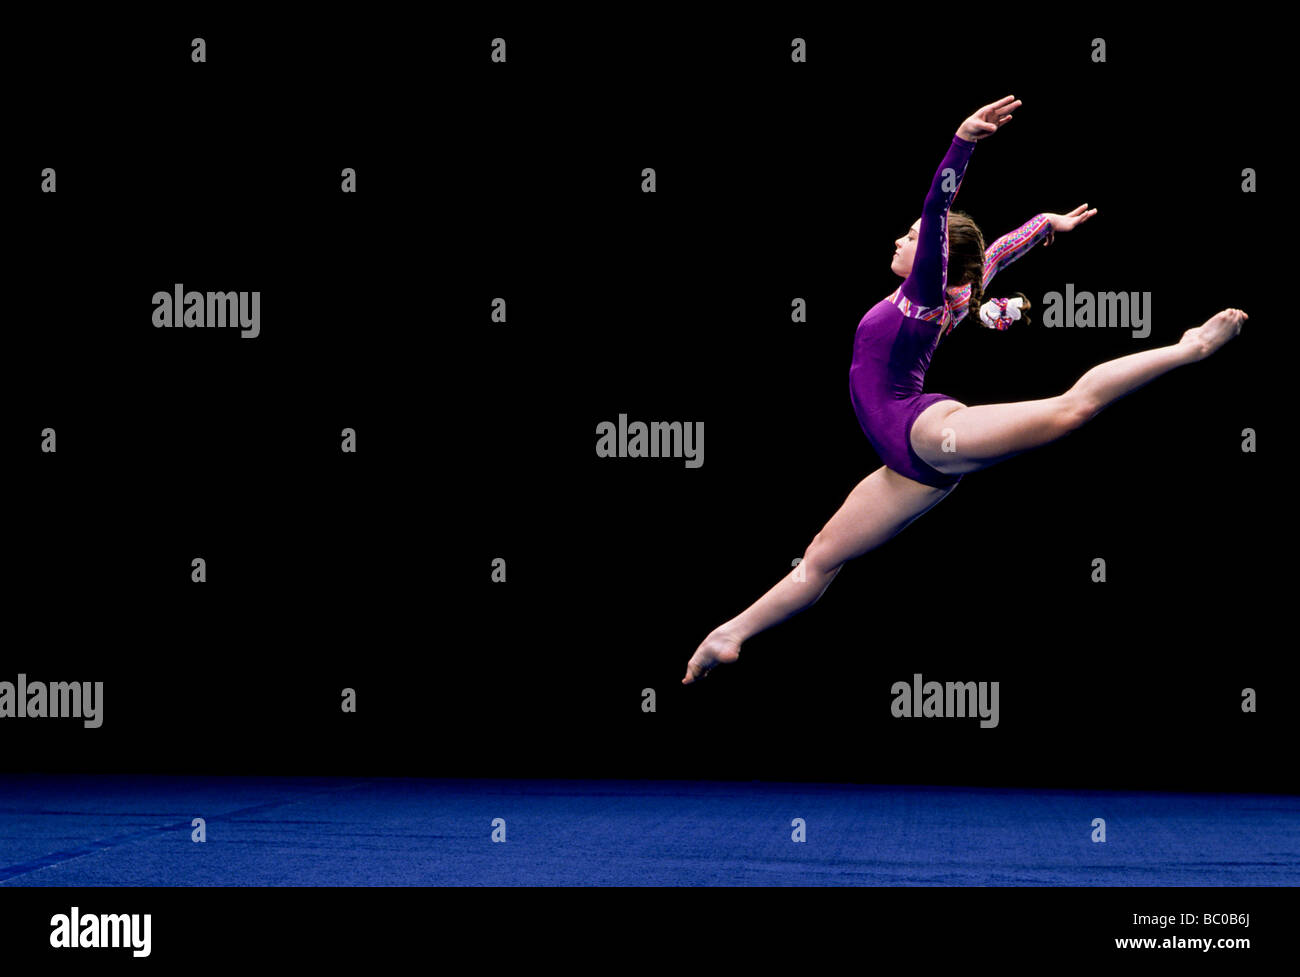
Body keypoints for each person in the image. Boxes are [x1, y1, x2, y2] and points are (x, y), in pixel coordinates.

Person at [683, 95, 1246, 685]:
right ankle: (730, 634)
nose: (901, 240)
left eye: (911, 236)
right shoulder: (956, 295)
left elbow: (938, 205)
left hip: (922, 432)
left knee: (1068, 411)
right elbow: (999, 250)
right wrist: (1047, 224)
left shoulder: (927, 294)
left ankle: (1190, 347)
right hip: (903, 466)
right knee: (822, 555)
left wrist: (963, 142)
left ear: (934, 253)